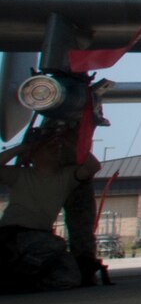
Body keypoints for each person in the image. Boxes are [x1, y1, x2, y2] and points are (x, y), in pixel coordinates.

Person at [0, 120, 101, 293]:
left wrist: (72, 144)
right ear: (34, 154)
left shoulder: (66, 177)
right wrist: (23, 147)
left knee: (70, 276)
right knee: (55, 245)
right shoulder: (20, 175)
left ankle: (18, 281)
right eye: (47, 146)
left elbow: (93, 167)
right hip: (14, 236)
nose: (55, 149)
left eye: (56, 146)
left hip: (41, 238)